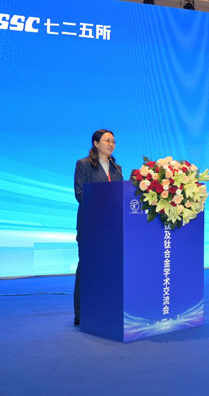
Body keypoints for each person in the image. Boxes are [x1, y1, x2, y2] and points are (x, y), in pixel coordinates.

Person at [73, 129, 123, 326]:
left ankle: (106, 308)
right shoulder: (84, 164)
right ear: (96, 143)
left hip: (112, 229)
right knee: (87, 268)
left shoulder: (117, 168)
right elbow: (80, 194)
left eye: (113, 141)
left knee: (109, 268)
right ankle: (81, 312)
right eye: (107, 140)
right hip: (91, 226)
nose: (111, 144)